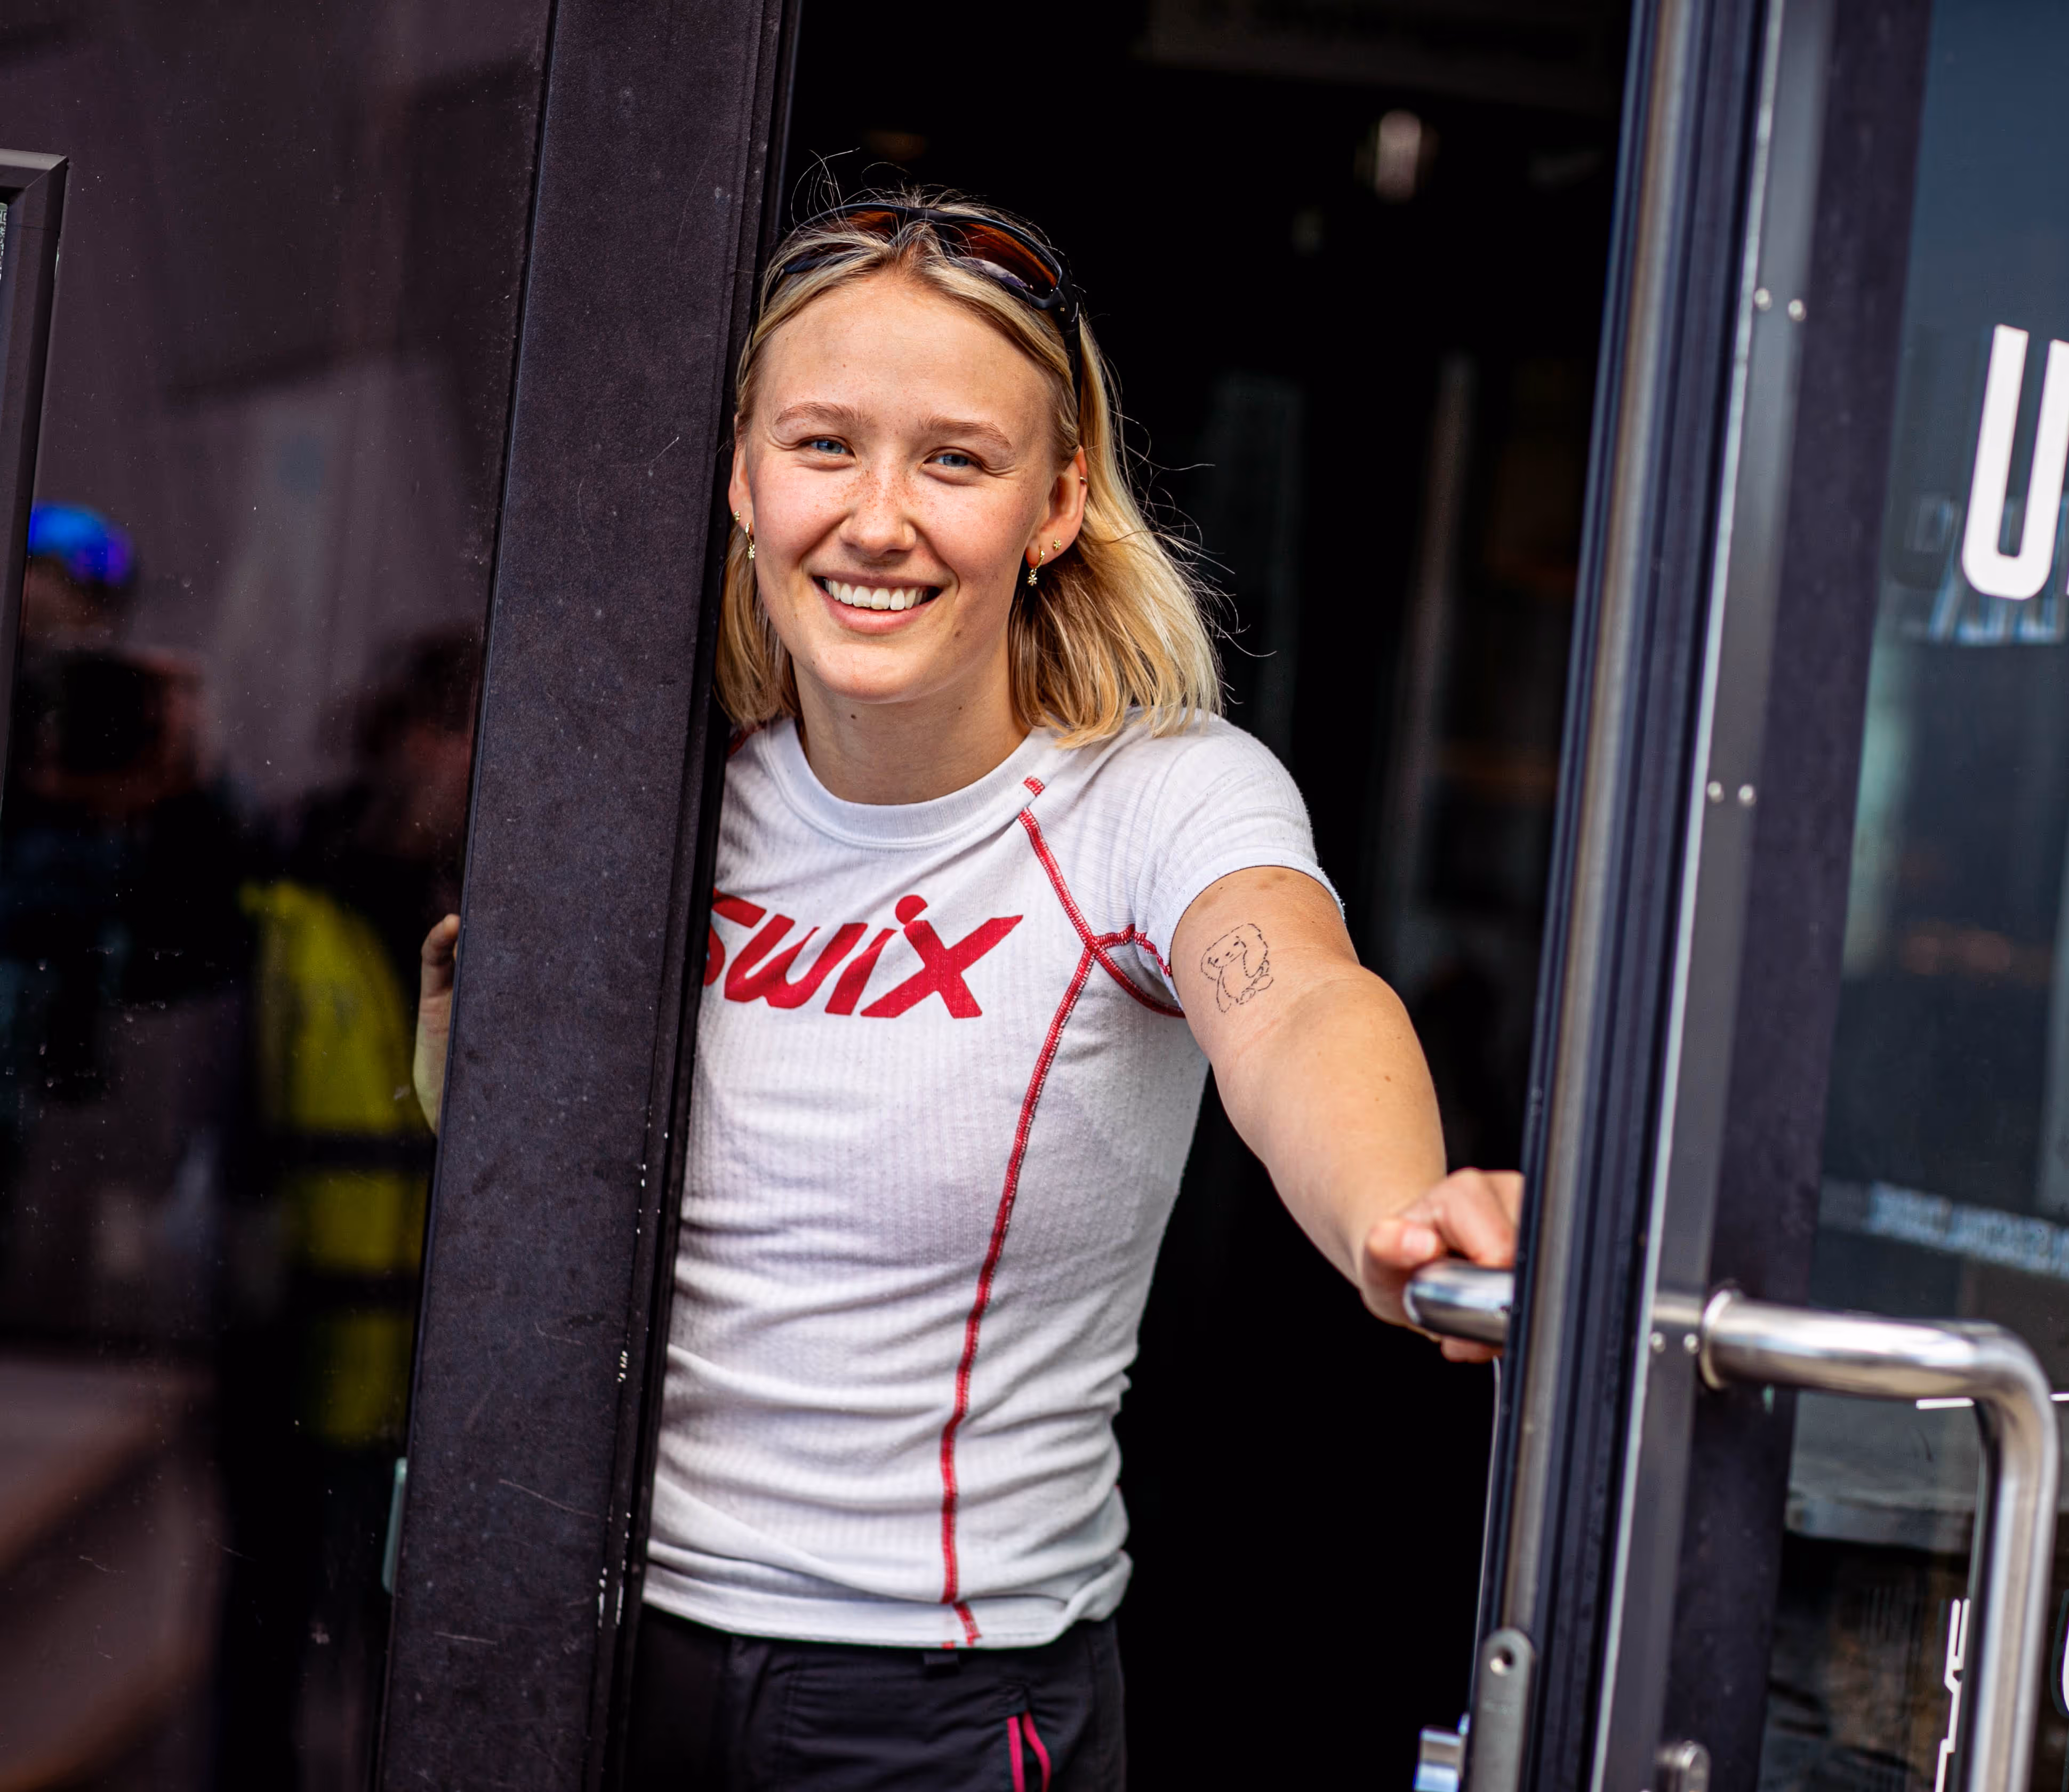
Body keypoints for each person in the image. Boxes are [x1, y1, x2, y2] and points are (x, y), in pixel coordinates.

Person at [410, 191, 1520, 1790]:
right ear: (740, 474)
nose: (878, 519)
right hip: (561, 1643)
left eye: (954, 459)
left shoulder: (1155, 802)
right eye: (822, 446)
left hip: (931, 1703)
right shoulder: (648, 792)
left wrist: (1395, 1215)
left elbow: (1291, 1000)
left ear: (1056, 499)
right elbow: (540, 1198)